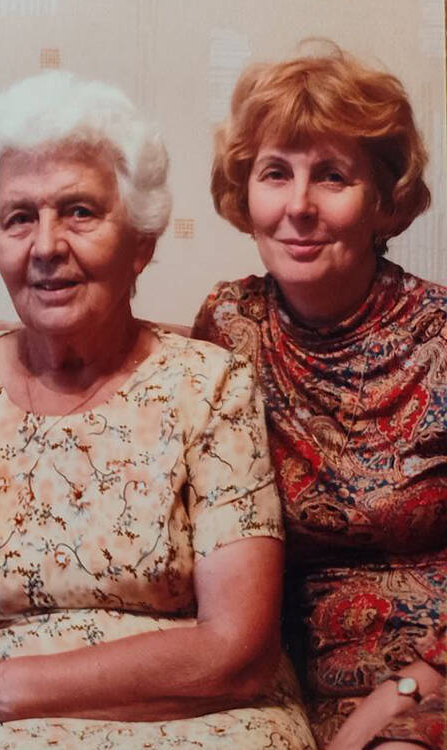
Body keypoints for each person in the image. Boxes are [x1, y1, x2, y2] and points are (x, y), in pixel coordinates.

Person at [0, 70, 316, 749]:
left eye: (79, 212)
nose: (46, 246)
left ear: (142, 242)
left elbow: (239, 648)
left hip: (210, 716)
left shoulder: (209, 384)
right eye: (19, 218)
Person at [193, 46, 445, 749]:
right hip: (298, 673)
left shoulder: (440, 335)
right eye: (276, 173)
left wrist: (406, 689)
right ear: (245, 194)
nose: (299, 206)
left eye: (332, 176)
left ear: (384, 201)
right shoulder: (229, 326)